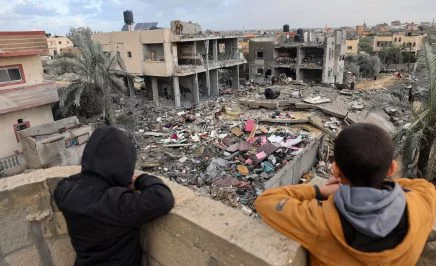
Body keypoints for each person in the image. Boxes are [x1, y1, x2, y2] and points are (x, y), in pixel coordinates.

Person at [255, 123, 435, 266]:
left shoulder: (319, 220)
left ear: (336, 170)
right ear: (392, 168)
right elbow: (421, 185)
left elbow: (266, 201)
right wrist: (374, 182)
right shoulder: (421, 202)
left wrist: (320, 190)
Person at [54, 127, 174, 266]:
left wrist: (90, 173)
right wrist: (139, 179)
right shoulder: (116, 203)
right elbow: (162, 198)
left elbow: (69, 180)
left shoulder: (65, 192)